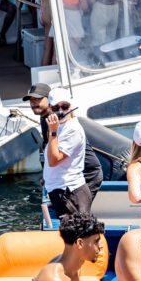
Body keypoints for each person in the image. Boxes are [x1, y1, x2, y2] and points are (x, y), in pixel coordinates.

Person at [24, 83, 104, 197]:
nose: (33, 103)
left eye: (37, 99)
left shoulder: (62, 121)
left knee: (77, 213)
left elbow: (55, 158)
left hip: (86, 175)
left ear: (50, 100)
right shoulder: (46, 119)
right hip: (69, 176)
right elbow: (51, 151)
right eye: (31, 100)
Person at [43, 87, 93, 217]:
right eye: (55, 108)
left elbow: (54, 160)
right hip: (61, 191)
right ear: (49, 108)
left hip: (70, 193)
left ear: (71, 106)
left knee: (78, 234)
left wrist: (52, 132)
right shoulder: (60, 126)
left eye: (64, 106)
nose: (60, 111)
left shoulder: (72, 129)